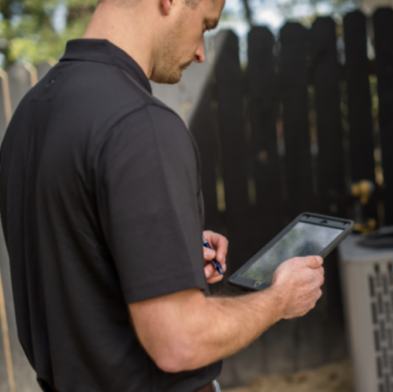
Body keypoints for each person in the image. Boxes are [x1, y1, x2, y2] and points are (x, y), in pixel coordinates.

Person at [0, 0, 325, 391]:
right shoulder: (141, 124)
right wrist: (279, 299)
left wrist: (165, 255)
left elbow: (75, 262)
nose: (202, 52)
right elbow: (179, 342)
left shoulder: (28, 116)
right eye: (205, 25)